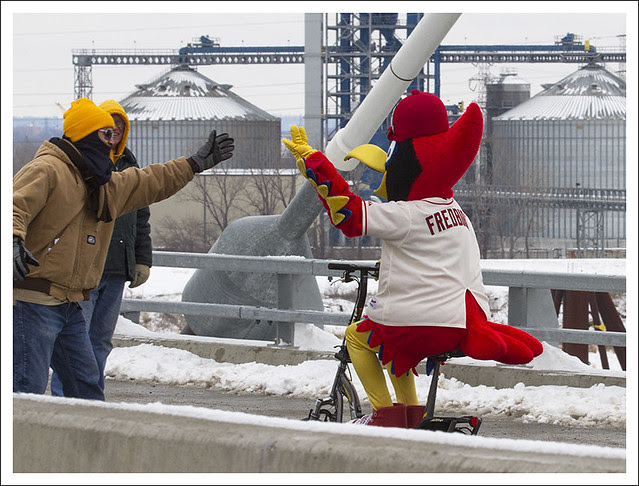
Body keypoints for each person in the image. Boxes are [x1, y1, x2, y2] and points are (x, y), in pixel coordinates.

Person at [283, 90, 542, 428]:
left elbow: (350, 214)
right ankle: (411, 415)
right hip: (462, 321)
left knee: (358, 338)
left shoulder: (407, 213)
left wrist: (314, 163)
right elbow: (431, 258)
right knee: (395, 350)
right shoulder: (456, 211)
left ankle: (385, 416)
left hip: (423, 323)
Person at [13, 97, 234, 400]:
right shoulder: (48, 169)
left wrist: (194, 164)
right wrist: (13, 239)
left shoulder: (101, 184)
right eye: (105, 134)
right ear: (86, 134)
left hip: (69, 304)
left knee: (86, 388)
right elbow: (14, 206)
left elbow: (149, 181)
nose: (112, 141)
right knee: (26, 388)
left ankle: (87, 433)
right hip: (33, 301)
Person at [49, 100, 151, 396]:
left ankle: (92, 397)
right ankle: (65, 398)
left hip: (117, 268)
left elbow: (141, 218)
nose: (114, 130)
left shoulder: (130, 165)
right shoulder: (84, 163)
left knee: (101, 341)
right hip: (86, 269)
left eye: (120, 125)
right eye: (109, 125)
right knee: (74, 340)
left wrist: (142, 260)